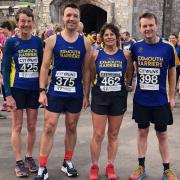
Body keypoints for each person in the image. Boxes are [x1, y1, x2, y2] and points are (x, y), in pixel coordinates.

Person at [34, 3, 91, 180]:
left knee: (72, 127)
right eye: (68, 15)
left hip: (75, 93)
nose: (71, 18)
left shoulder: (86, 42)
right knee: (49, 127)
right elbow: (44, 67)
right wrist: (42, 91)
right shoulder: (52, 40)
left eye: (75, 15)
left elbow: (86, 70)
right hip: (56, 92)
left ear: (79, 19)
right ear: (63, 17)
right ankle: (42, 166)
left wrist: (86, 95)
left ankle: (67, 162)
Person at [129, 12, 178, 180]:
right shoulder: (136, 48)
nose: (148, 29)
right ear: (140, 28)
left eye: (150, 25)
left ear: (156, 26)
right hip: (141, 99)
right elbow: (130, 70)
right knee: (142, 131)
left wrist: (172, 97)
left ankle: (167, 169)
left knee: (162, 134)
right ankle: (141, 167)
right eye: (144, 26)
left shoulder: (168, 48)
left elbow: (172, 73)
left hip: (160, 100)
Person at [2, 7, 43, 177]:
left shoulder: (38, 42)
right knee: (17, 126)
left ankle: (28, 157)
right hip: (17, 89)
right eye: (22, 21)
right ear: (17, 23)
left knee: (32, 126)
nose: (26, 24)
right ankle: (19, 161)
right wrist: (8, 95)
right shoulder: (11, 42)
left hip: (33, 90)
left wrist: (43, 90)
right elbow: (4, 69)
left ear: (32, 23)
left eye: (28, 21)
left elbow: (42, 66)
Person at [89, 23, 133, 180]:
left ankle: (110, 165)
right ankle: (94, 166)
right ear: (102, 38)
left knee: (113, 134)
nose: (109, 37)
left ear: (117, 37)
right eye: (106, 35)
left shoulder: (125, 54)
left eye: (112, 34)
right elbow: (92, 75)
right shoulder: (95, 55)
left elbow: (129, 74)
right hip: (100, 97)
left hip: (118, 98)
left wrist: (125, 87)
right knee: (98, 134)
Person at [168, 33, 180, 97]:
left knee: (174, 83)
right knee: (170, 83)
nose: (171, 39)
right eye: (170, 38)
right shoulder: (167, 46)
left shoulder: (178, 47)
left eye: (173, 38)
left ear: (176, 39)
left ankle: (172, 98)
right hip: (169, 67)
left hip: (178, 67)